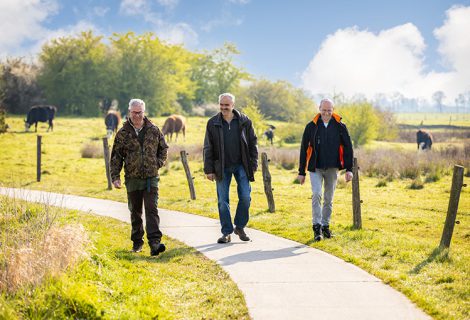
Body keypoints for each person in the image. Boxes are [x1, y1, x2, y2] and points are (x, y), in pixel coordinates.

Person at [110, 98, 169, 256]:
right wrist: (115, 177)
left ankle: (155, 243)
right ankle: (137, 243)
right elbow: (116, 156)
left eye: (140, 112)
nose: (137, 115)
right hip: (132, 178)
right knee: (135, 211)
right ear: (129, 112)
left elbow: (163, 149)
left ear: (144, 112)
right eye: (134, 112)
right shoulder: (123, 133)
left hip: (151, 178)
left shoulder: (153, 129)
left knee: (152, 209)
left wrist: (157, 163)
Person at [203, 93, 258, 244]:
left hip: (242, 165)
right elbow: (208, 147)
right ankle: (226, 232)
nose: (223, 107)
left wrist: (253, 165)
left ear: (233, 105)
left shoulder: (244, 121)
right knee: (222, 201)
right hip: (221, 167)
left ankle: (239, 227)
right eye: (221, 104)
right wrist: (208, 170)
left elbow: (253, 143)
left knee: (246, 197)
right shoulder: (212, 122)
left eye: (226, 105)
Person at [297, 98, 353, 241]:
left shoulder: (340, 126)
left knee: (329, 198)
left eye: (329, 110)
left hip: (333, 168)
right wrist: (301, 172)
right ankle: (316, 228)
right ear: (319, 109)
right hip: (315, 168)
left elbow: (348, 148)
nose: (326, 113)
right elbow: (304, 149)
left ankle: (325, 226)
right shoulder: (311, 126)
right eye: (324, 110)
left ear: (333, 110)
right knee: (317, 194)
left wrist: (349, 169)